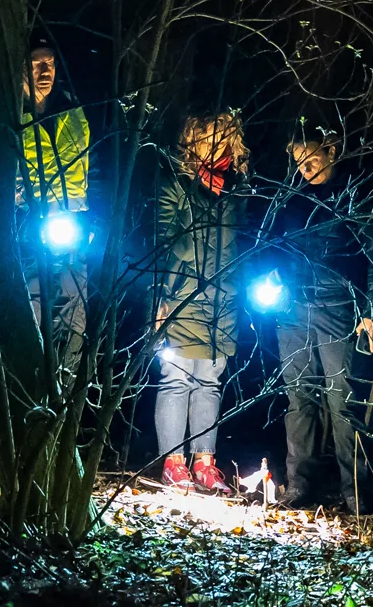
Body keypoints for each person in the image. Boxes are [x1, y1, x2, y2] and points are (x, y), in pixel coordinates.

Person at [266, 126, 373, 511]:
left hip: (337, 305)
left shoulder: (353, 193)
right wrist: (272, 272)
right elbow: (273, 243)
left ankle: (355, 493)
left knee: (341, 400)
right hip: (293, 306)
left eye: (311, 158)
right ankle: (300, 485)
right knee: (298, 397)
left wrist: (370, 310)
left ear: (330, 151)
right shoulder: (290, 196)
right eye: (298, 161)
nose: (304, 168)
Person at [153, 112, 249, 494]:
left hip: (223, 298)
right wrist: (159, 298)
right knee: (176, 377)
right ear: (191, 139)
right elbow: (160, 239)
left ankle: (205, 462)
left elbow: (244, 240)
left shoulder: (238, 187)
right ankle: (173, 463)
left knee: (210, 380)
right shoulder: (176, 180)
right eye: (208, 135)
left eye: (223, 135)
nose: (216, 142)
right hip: (180, 293)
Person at [18, 40, 92, 375]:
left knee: (73, 315)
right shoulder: (9, 113)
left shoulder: (72, 109)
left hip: (71, 229)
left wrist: (90, 218)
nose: (45, 72)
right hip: (26, 230)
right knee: (29, 312)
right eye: (37, 64)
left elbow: (92, 167)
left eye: (49, 63)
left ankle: (64, 393)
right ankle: (28, 388)